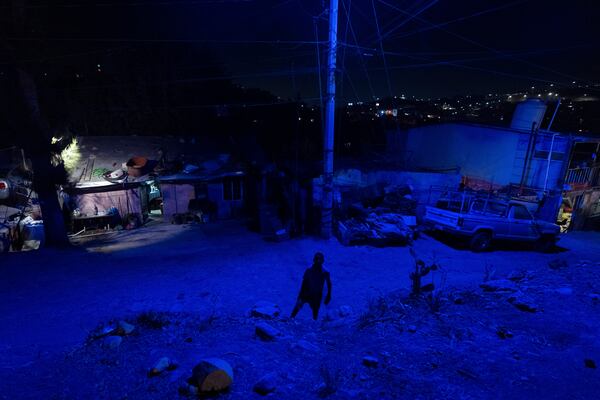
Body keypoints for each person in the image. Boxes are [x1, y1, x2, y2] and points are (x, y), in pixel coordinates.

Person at [290, 252, 332, 320]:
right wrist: (300, 295)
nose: (318, 261)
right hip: (306, 293)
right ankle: (290, 319)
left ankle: (314, 324)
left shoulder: (325, 272)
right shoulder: (309, 270)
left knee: (315, 312)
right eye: (317, 259)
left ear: (322, 261)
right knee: (297, 307)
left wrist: (329, 295)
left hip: (316, 295)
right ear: (314, 260)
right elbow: (304, 282)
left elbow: (329, 283)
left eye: (320, 260)